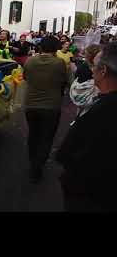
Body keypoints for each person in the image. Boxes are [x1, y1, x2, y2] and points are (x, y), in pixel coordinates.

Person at [56, 42, 117, 211]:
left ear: (103, 71)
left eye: (95, 66)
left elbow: (66, 155)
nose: (91, 70)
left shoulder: (99, 114)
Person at [23, 36, 68, 183]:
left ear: (40, 47)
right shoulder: (59, 63)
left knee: (33, 134)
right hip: (51, 106)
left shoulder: (30, 61)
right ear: (56, 48)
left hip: (31, 104)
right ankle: (38, 165)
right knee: (46, 137)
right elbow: (65, 81)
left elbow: (25, 77)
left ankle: (32, 162)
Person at [69, 44, 101, 116]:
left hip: (83, 96)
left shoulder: (84, 66)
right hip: (90, 99)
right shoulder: (99, 68)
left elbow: (76, 74)